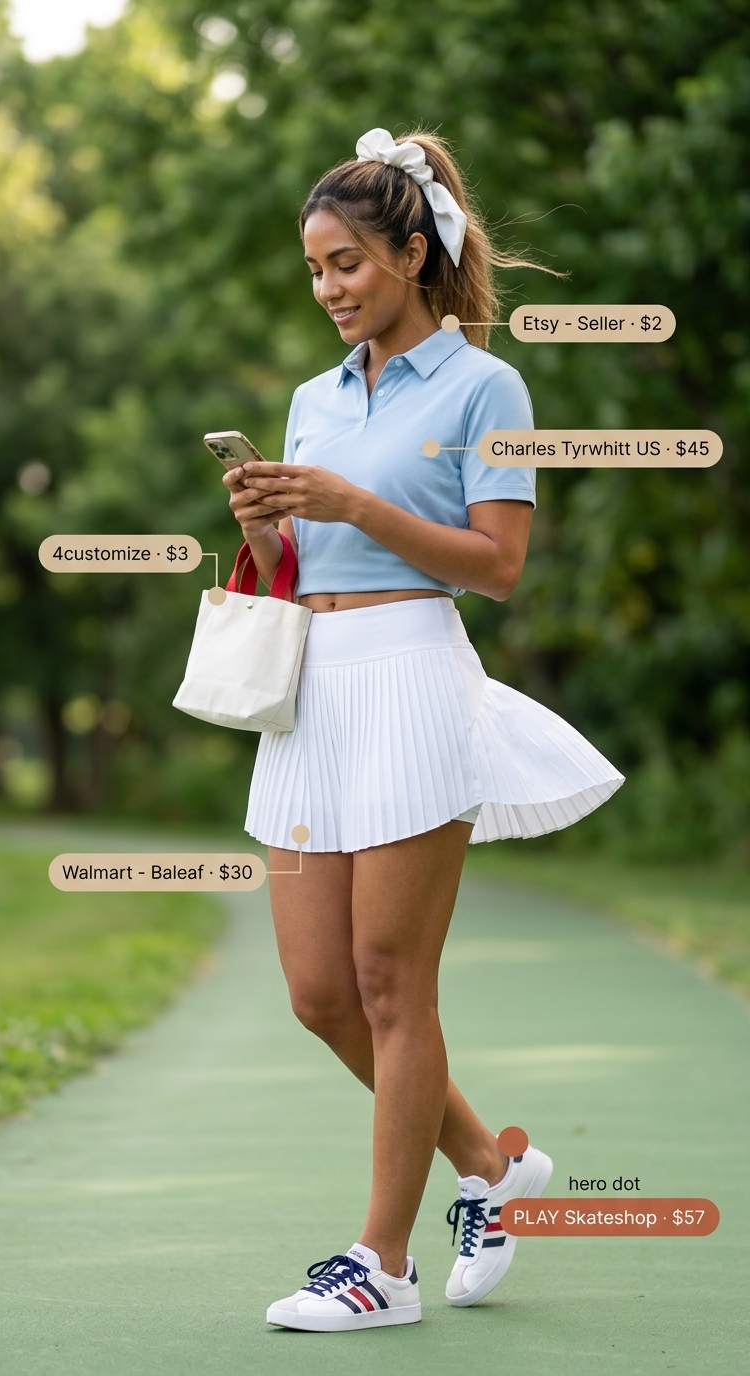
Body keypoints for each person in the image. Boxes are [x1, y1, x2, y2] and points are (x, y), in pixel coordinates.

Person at [223, 127, 623, 1333]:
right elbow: (301, 565)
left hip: (411, 678)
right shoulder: (310, 396)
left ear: (410, 253)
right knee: (317, 990)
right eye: (313, 268)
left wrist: (352, 498)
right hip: (312, 689)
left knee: (394, 982)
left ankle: (382, 1263)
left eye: (346, 262)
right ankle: (494, 1170)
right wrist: (265, 519)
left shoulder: (489, 385)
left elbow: (497, 568)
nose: (329, 287)